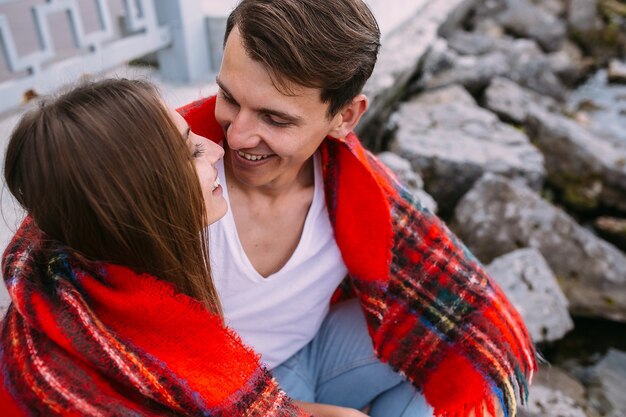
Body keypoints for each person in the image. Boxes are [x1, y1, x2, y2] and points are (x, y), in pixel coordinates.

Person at [178, 1, 537, 417]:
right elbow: (130, 361)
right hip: (210, 387)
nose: (237, 136)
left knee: (464, 353)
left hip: (312, 351)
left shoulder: (358, 187)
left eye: (274, 119)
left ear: (344, 117)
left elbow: (478, 321)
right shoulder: (165, 175)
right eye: (228, 96)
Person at [0, 78, 362, 416]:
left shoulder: (102, 268)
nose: (219, 148)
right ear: (141, 197)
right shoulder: (97, 361)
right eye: (191, 151)